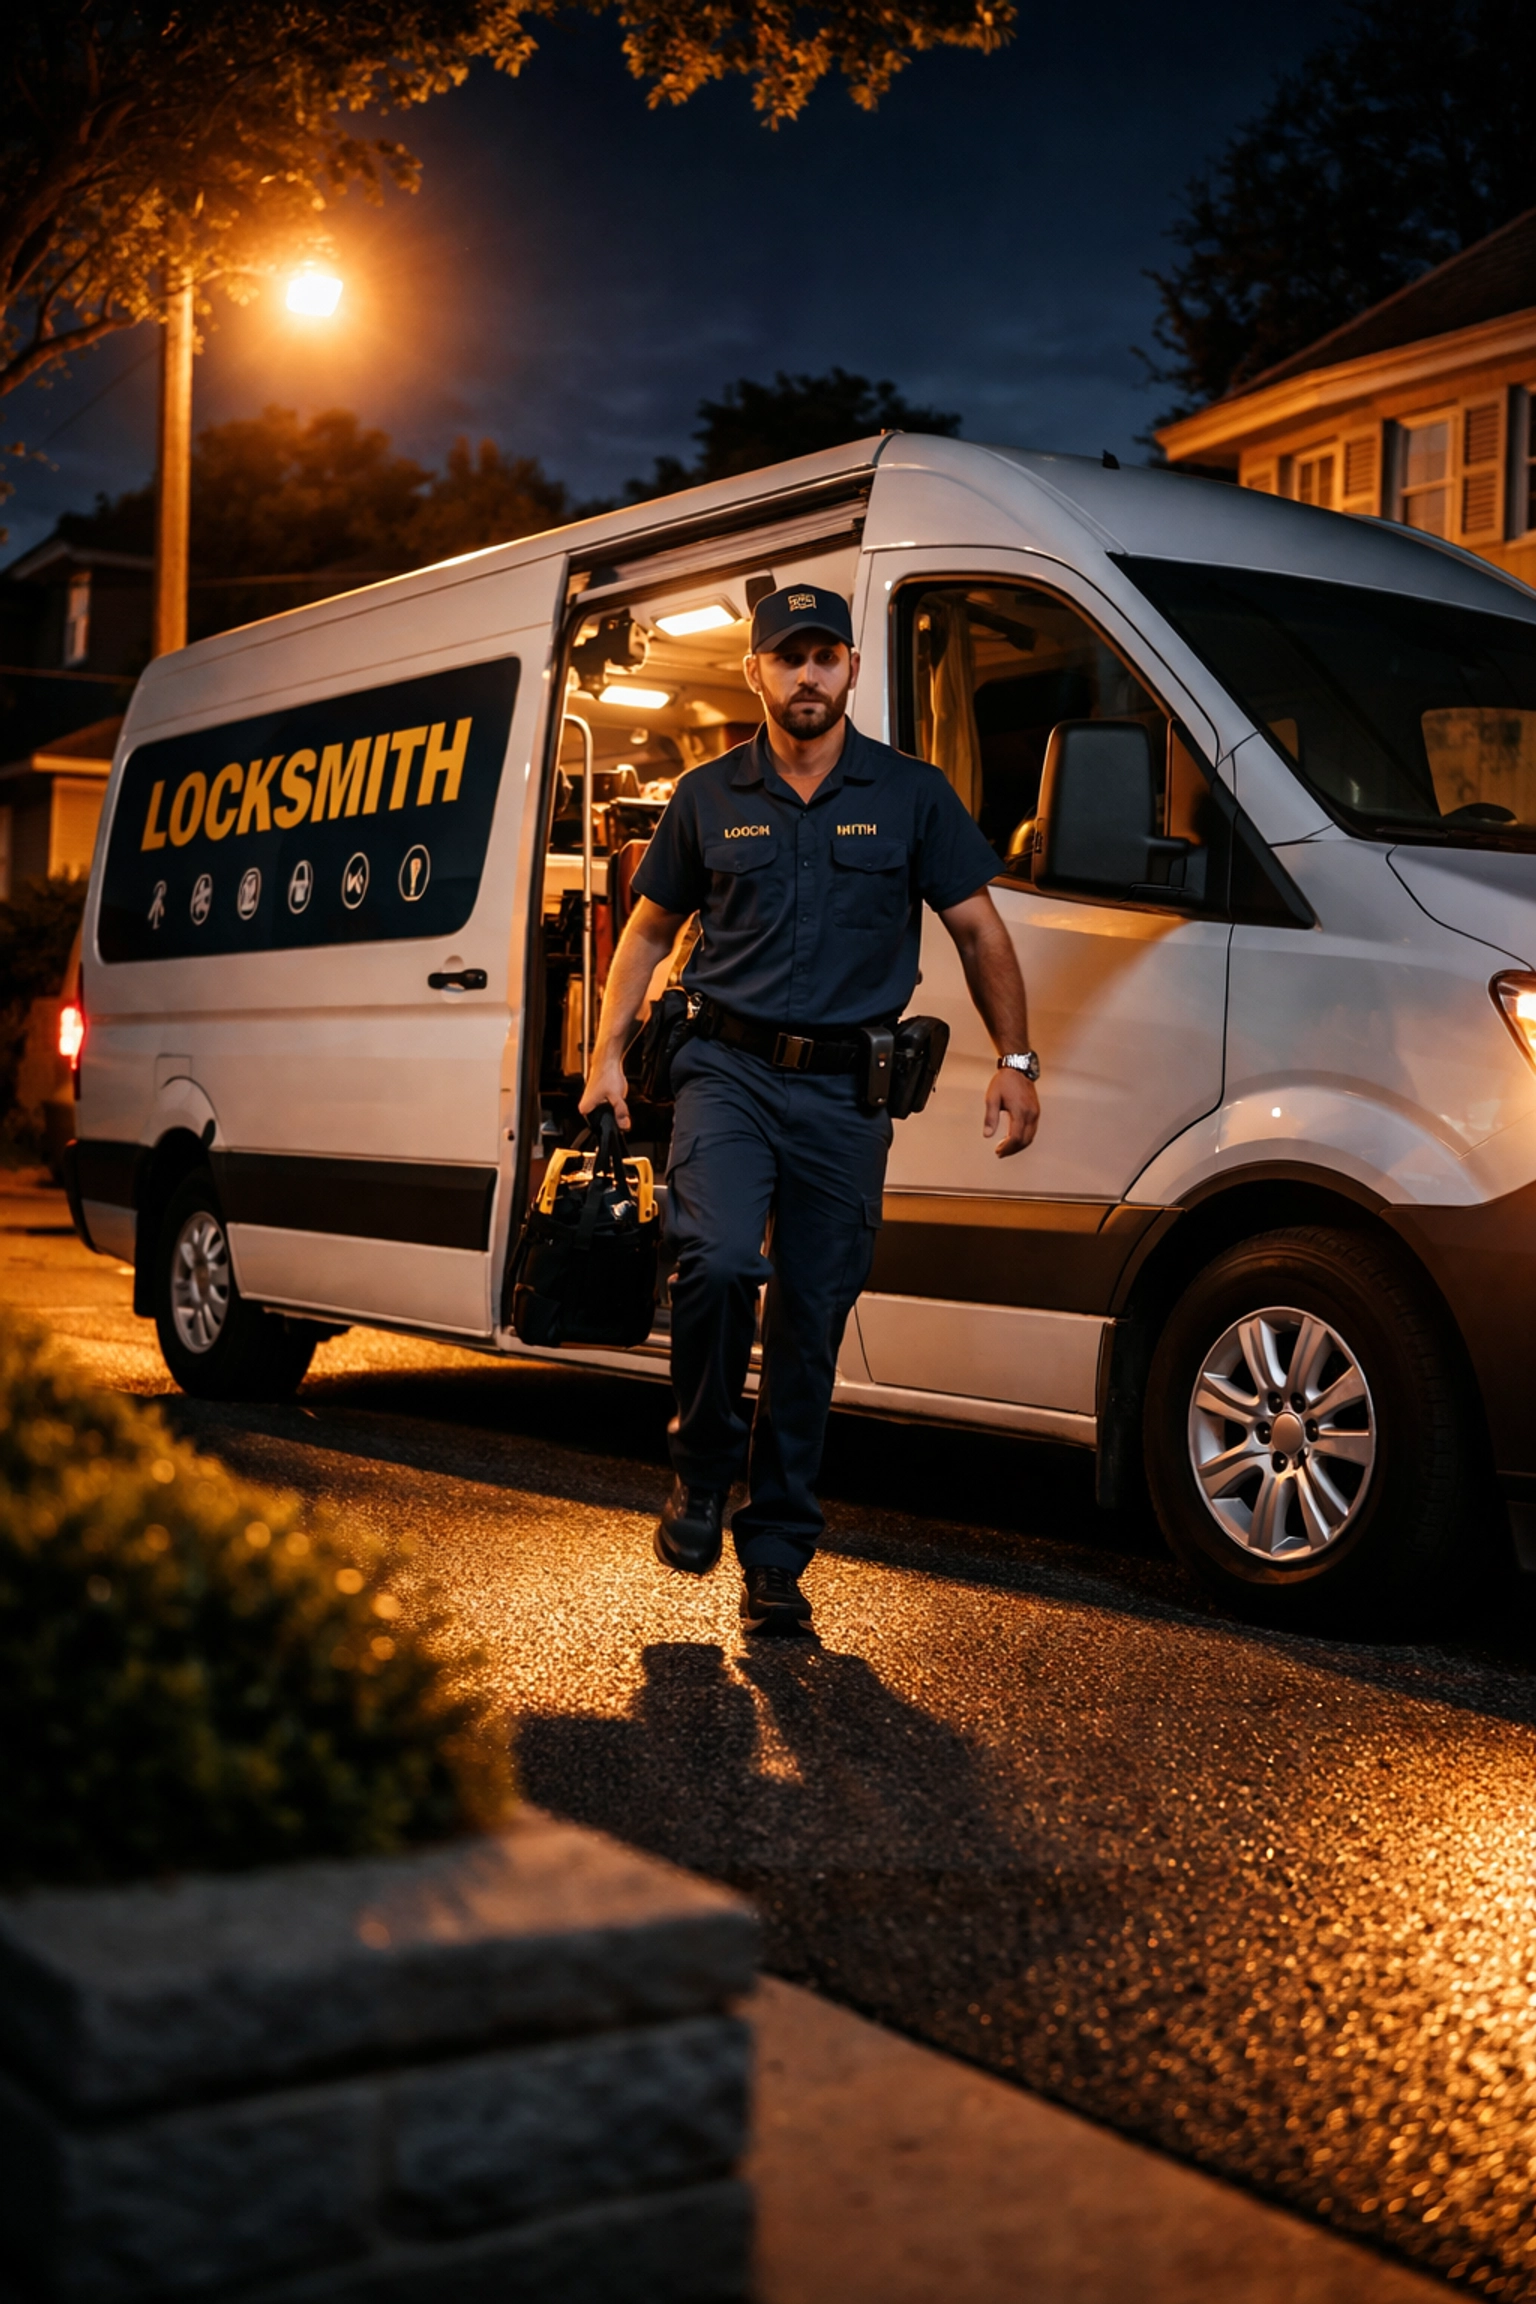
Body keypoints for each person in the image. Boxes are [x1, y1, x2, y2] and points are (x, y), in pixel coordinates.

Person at [579, 583, 1040, 1634]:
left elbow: (980, 933)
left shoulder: (912, 794)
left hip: (844, 1091)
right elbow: (648, 932)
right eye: (788, 657)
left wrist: (1017, 1059)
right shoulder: (707, 795)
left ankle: (777, 1550)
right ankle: (699, 1471)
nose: (807, 676)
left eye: (825, 656)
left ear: (849, 672)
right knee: (721, 1262)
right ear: (756, 672)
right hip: (726, 1073)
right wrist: (606, 1054)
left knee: (810, 1320)